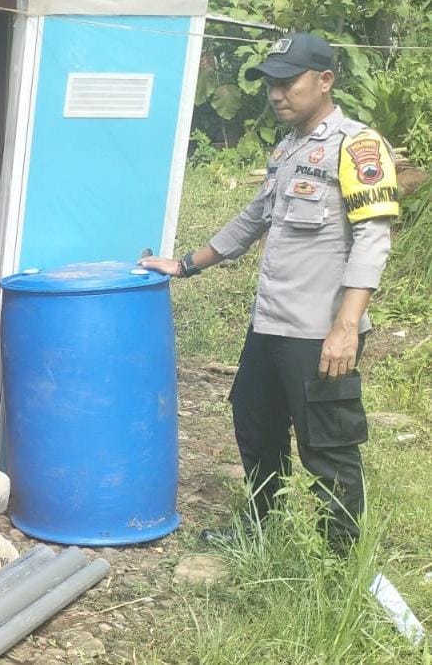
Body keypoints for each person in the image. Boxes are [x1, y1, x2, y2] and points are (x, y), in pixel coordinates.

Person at [142, 32, 398, 547]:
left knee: (327, 444)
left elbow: (374, 236)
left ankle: (340, 558)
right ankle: (260, 528)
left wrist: (346, 326)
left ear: (324, 80)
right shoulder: (288, 148)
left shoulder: (357, 145)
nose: (277, 94)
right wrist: (187, 263)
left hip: (320, 330)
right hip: (271, 324)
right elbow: (254, 218)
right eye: (270, 84)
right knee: (255, 424)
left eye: (287, 82)